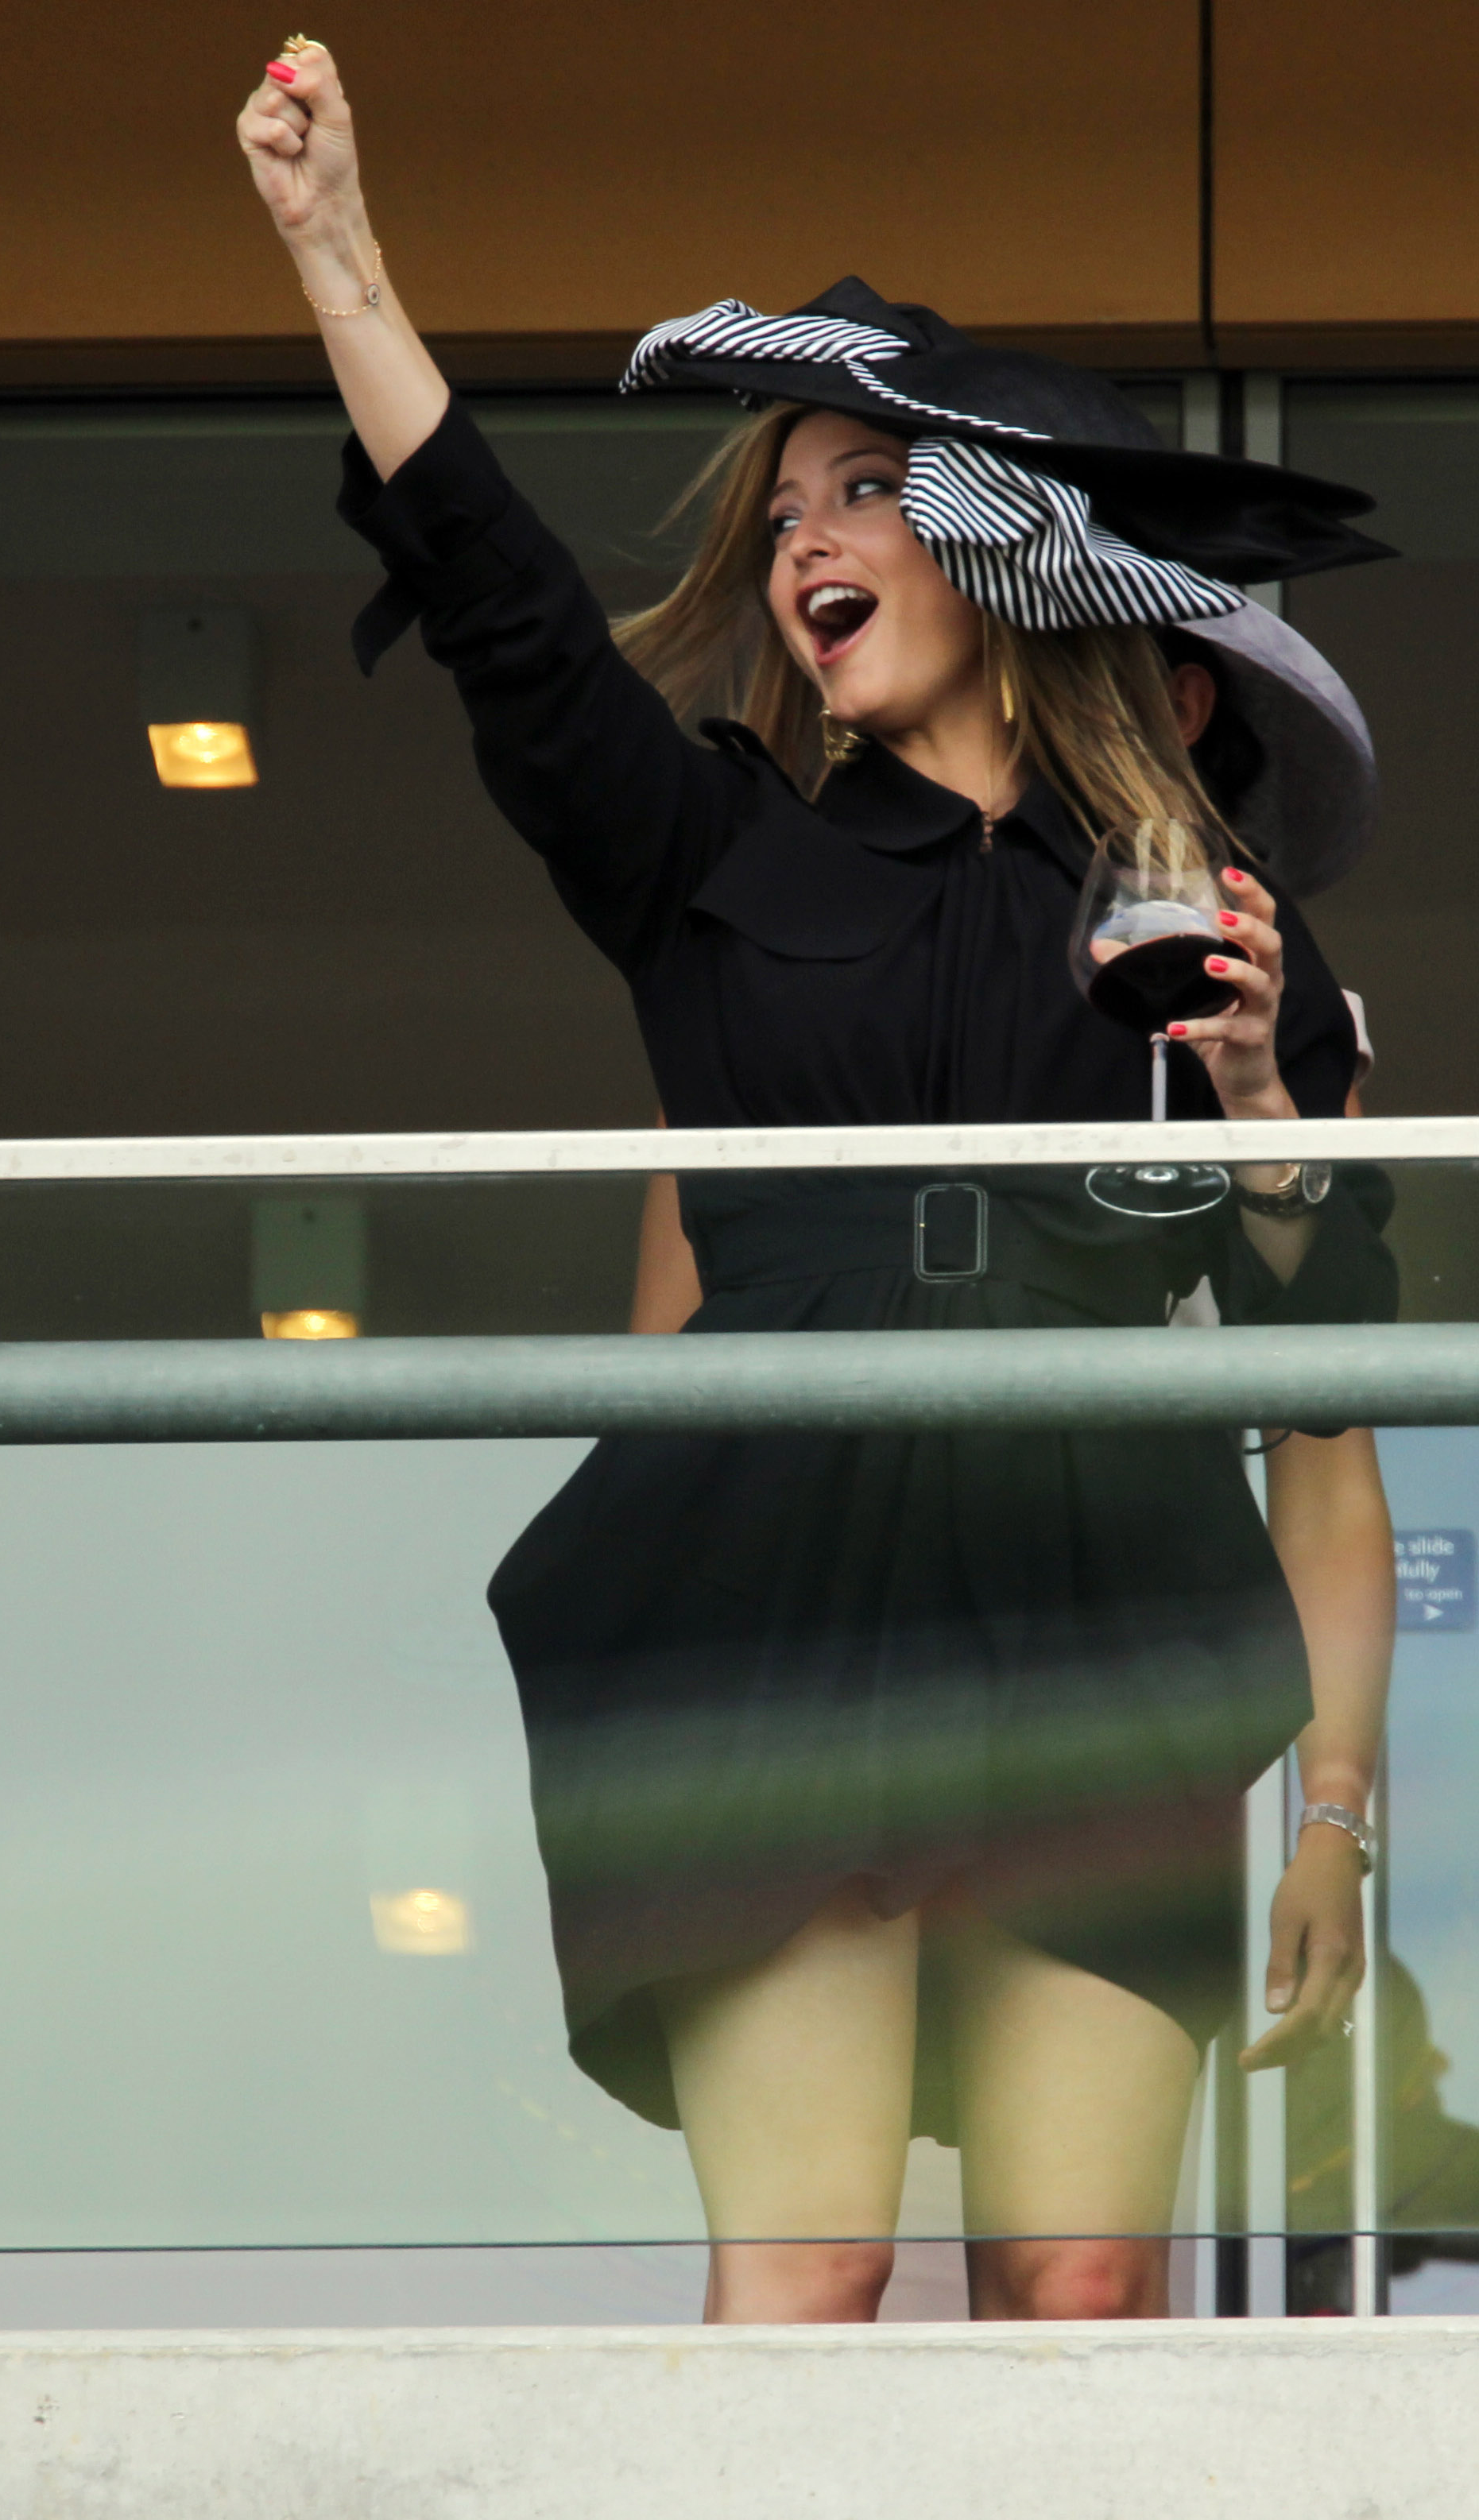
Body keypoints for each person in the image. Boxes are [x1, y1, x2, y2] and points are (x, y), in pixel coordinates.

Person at [240, 45, 1398, 2322]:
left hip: (1094, 1605)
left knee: (1083, 2290)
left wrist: (1266, 1085)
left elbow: (1319, 1366)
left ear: (1004, 546)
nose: (799, 546)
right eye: (778, 518)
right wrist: (340, 259)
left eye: (863, 492)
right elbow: (508, 616)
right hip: (772, 1595)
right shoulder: (710, 855)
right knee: (810, 2280)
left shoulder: (1205, 920)